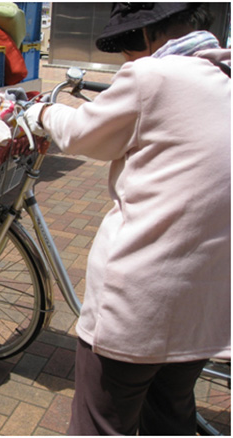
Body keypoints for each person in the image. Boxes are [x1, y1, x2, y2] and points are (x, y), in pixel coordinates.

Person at [23, 3, 230, 435]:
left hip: (140, 300)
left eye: (128, 45)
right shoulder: (224, 76)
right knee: (170, 414)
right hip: (205, 304)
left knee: (102, 421)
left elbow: (81, 134)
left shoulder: (152, 77)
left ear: (147, 35)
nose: (126, 58)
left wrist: (39, 114)